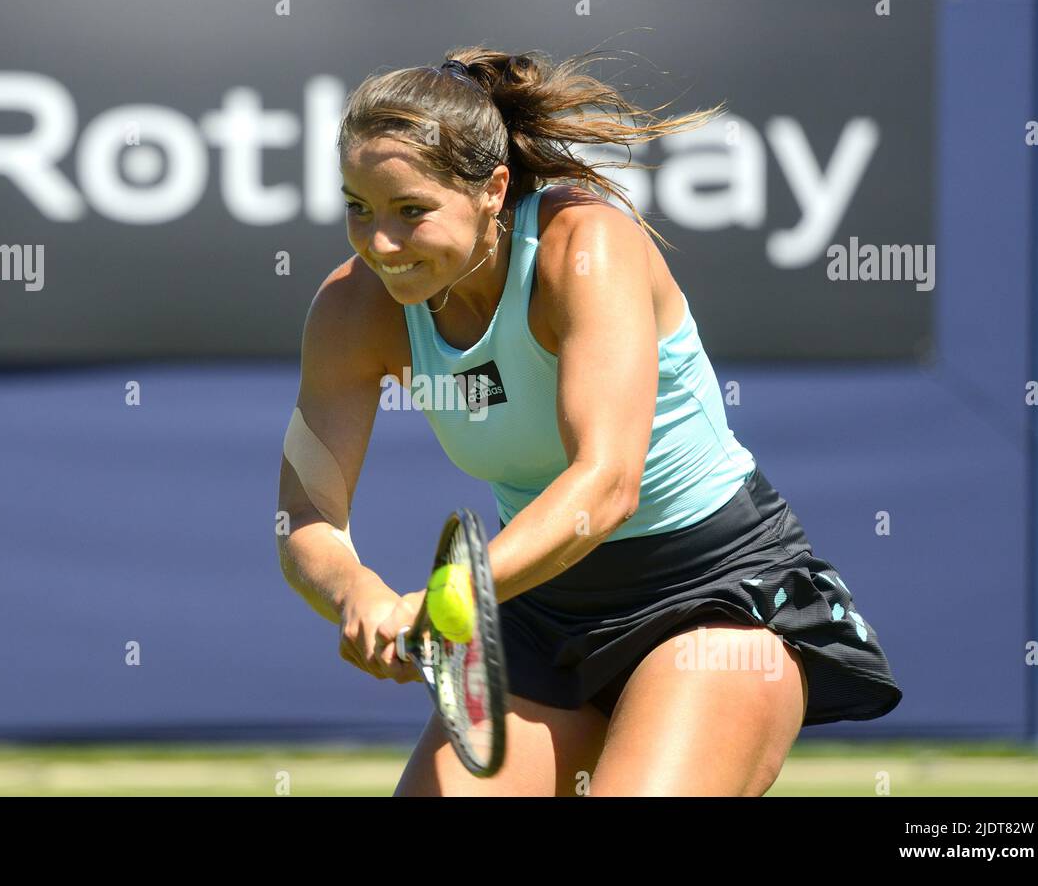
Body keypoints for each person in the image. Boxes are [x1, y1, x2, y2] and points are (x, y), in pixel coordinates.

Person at [277, 48, 902, 796]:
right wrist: (361, 597)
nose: (380, 243)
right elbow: (308, 511)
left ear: (492, 190)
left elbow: (605, 485)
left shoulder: (586, 247)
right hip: (538, 618)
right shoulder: (353, 308)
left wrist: (456, 594)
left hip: (716, 598)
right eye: (358, 208)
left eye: (411, 212)